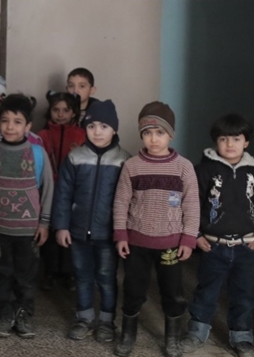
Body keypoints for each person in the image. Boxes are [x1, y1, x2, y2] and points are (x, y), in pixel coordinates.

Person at [112, 101, 199, 357]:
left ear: (171, 134)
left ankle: (172, 337)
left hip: (170, 245)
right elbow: (121, 201)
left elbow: (192, 205)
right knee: (133, 289)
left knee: (173, 291)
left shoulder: (184, 167)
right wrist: (120, 234)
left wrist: (188, 239)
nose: (153, 138)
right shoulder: (132, 166)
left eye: (160, 132)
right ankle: (128, 334)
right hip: (137, 243)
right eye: (147, 132)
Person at [51, 100, 129, 343]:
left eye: (104, 126)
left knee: (106, 277)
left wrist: (123, 233)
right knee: (82, 276)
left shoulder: (124, 160)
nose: (97, 131)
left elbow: (129, 200)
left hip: (108, 233)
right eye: (92, 126)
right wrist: (61, 226)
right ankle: (84, 317)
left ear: (114, 129)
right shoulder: (75, 157)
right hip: (78, 231)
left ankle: (106, 321)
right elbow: (63, 194)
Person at [181, 114, 254, 357]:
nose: (230, 144)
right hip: (213, 246)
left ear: (246, 142)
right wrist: (195, 234)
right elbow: (192, 204)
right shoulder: (203, 170)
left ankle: (242, 336)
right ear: (216, 141)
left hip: (246, 246)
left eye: (236, 138)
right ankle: (197, 331)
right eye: (224, 139)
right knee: (207, 290)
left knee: (244, 293)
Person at [0, 94, 54, 339]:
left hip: (28, 231)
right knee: (0, 274)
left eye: (17, 121)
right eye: (5, 120)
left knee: (26, 276)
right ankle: (3, 314)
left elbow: (48, 188)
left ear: (28, 126)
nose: (10, 126)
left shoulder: (37, 153)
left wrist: (44, 223)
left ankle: (23, 314)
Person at [37, 91, 85, 292]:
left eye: (66, 110)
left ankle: (68, 272)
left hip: (73, 190)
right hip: (48, 188)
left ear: (74, 113)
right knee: (49, 229)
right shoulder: (42, 135)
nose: (61, 114)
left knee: (69, 230)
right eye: (56, 110)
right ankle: (49, 272)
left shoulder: (81, 135)